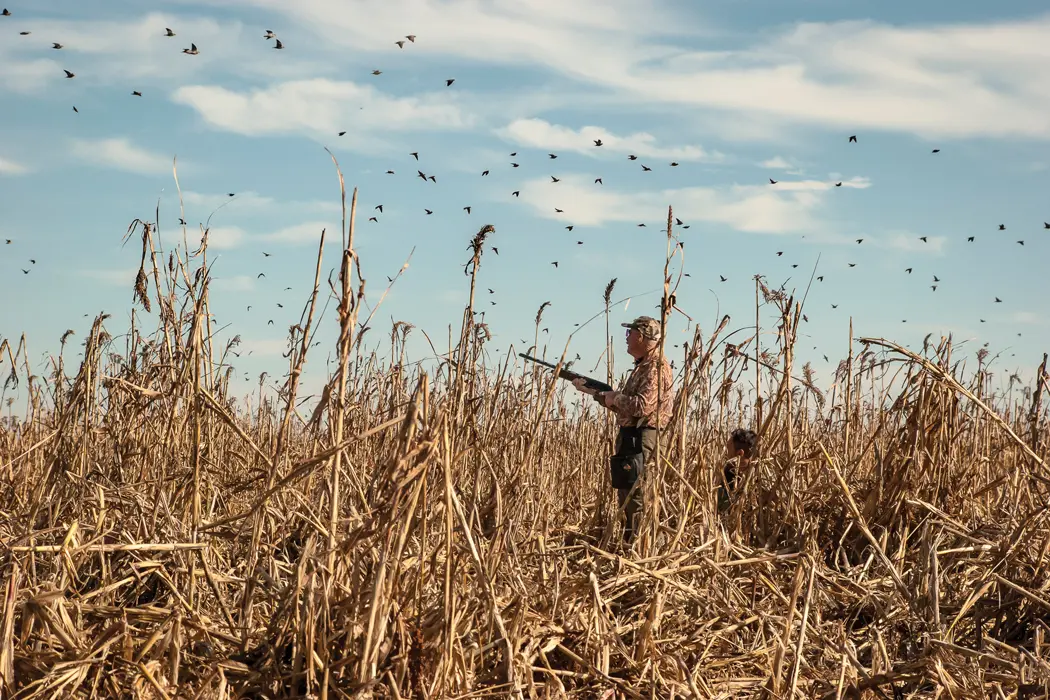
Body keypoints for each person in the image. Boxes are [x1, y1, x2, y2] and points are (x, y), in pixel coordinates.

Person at [573, 315, 674, 545]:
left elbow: (641, 406)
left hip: (643, 438)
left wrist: (614, 397)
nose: (627, 338)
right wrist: (595, 393)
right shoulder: (643, 366)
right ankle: (632, 544)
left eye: (630, 333)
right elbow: (626, 409)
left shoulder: (655, 367)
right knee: (628, 496)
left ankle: (641, 549)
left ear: (642, 336)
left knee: (639, 497)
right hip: (633, 438)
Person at [718, 428, 757, 514]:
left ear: (739, 453)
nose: (726, 453)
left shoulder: (759, 481)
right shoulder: (727, 474)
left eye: (728, 449)